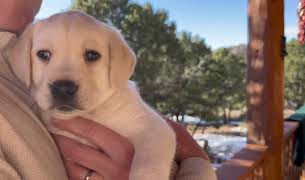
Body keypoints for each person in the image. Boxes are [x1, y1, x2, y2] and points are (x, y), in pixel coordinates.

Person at [0, 0, 217, 179]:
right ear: (23, 60)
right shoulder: (20, 59)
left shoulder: (121, 102)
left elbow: (159, 135)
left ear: (118, 65)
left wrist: (192, 165)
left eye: (91, 55)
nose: (64, 83)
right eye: (44, 55)